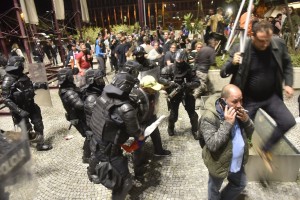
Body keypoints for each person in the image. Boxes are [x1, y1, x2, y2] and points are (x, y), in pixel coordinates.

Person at [220, 20, 296, 172]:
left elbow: (287, 64)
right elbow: (223, 72)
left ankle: (266, 149)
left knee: (288, 121)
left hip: (271, 97)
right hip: (248, 100)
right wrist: (232, 63)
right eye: (261, 41)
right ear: (252, 36)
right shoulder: (240, 48)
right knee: (241, 132)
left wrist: (288, 83)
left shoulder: (277, 44)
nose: (265, 44)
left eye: (268, 40)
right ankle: (236, 164)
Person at [88, 72, 144, 200]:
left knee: (96, 156)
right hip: (110, 149)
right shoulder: (125, 108)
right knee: (125, 182)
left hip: (96, 140)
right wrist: (141, 136)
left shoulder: (104, 95)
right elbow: (134, 132)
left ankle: (92, 173)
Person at [200, 84, 254, 200]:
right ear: (223, 101)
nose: (239, 105)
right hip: (219, 162)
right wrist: (227, 123)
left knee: (241, 184)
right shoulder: (209, 117)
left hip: (237, 162)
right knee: (214, 189)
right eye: (235, 101)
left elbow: (250, 131)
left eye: (241, 100)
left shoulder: (238, 110)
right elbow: (212, 144)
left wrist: (246, 120)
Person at [1, 56, 52, 151]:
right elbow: (6, 99)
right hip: (19, 109)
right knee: (26, 129)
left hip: (31, 105)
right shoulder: (8, 79)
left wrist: (38, 85)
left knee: (39, 124)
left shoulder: (22, 75)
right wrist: (19, 111)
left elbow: (28, 86)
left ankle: (40, 144)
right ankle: (26, 142)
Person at [131, 75, 171, 179]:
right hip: (141, 123)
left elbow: (162, 86)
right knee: (138, 146)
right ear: (145, 87)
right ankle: (138, 171)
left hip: (150, 117)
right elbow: (132, 117)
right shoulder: (137, 96)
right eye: (153, 88)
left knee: (156, 134)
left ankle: (159, 150)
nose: (155, 90)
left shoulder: (150, 92)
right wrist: (138, 130)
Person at [161, 49, 200, 138]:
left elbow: (197, 83)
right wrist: (171, 84)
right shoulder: (169, 68)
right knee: (173, 116)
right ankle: (170, 127)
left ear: (185, 59)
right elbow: (162, 80)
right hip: (174, 94)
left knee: (193, 114)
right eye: (178, 59)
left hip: (187, 93)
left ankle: (195, 130)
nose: (179, 61)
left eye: (181, 59)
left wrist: (187, 85)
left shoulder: (189, 68)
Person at [57, 67, 90, 162]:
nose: (72, 77)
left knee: (88, 134)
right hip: (78, 117)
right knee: (89, 135)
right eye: (70, 76)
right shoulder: (68, 92)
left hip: (77, 116)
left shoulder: (66, 88)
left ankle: (87, 150)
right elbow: (80, 105)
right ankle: (86, 157)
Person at [193, 36, 217, 104]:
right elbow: (213, 62)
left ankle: (212, 101)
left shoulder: (202, 49)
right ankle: (192, 99)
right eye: (215, 42)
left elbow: (196, 60)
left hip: (198, 70)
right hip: (204, 72)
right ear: (212, 43)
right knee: (201, 87)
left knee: (210, 87)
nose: (216, 43)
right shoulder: (212, 50)